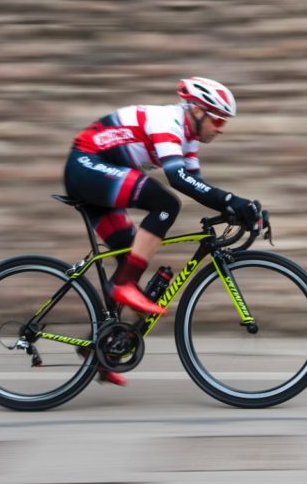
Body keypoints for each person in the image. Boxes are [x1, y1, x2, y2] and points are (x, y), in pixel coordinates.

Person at [63, 77, 262, 385]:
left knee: (129, 253)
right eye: (218, 119)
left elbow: (198, 186)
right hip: (86, 164)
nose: (221, 128)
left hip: (98, 171)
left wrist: (236, 209)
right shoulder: (166, 121)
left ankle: (101, 350)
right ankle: (125, 285)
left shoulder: (188, 140)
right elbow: (179, 179)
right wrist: (231, 201)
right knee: (165, 204)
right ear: (196, 111)